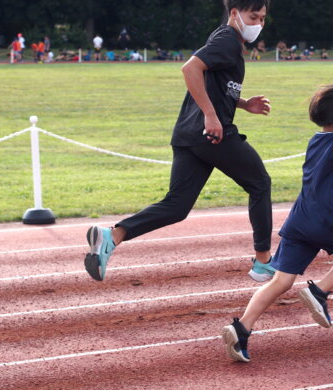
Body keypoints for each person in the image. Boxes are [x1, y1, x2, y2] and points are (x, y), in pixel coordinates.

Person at [84, 0, 275, 284]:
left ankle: (113, 236)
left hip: (188, 134)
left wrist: (245, 104)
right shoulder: (227, 41)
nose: (258, 24)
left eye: (262, 19)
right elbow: (190, 69)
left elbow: (216, 85)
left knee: (177, 206)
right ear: (234, 13)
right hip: (212, 135)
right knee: (260, 182)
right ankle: (263, 262)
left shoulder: (224, 38)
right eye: (253, 16)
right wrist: (211, 116)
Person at [221, 84, 333, 362]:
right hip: (322, 221)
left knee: (280, 281)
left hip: (298, 220)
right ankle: (319, 291)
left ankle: (241, 329)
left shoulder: (316, 139)